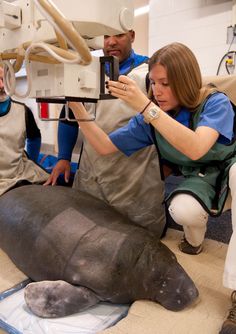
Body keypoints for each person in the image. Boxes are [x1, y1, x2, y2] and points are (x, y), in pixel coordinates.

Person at [66, 42, 236, 333]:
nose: (157, 91)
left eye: (166, 84)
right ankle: (194, 242)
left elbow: (196, 147)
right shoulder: (150, 118)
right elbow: (104, 146)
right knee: (182, 210)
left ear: (185, 81)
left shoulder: (214, 102)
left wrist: (146, 107)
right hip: (201, 178)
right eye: (153, 83)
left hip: (231, 170)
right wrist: (77, 109)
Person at [45, 30, 166, 237]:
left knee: (138, 240)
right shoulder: (87, 73)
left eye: (118, 35)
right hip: (94, 170)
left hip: (137, 176)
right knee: (88, 234)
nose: (111, 42)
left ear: (132, 35)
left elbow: (168, 124)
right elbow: (69, 117)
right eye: (105, 36)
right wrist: (63, 157)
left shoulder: (150, 73)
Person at [0, 65, 49, 195]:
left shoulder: (23, 111)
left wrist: (31, 160)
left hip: (20, 175)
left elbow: (34, 137)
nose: (1, 85)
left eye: (3, 79)